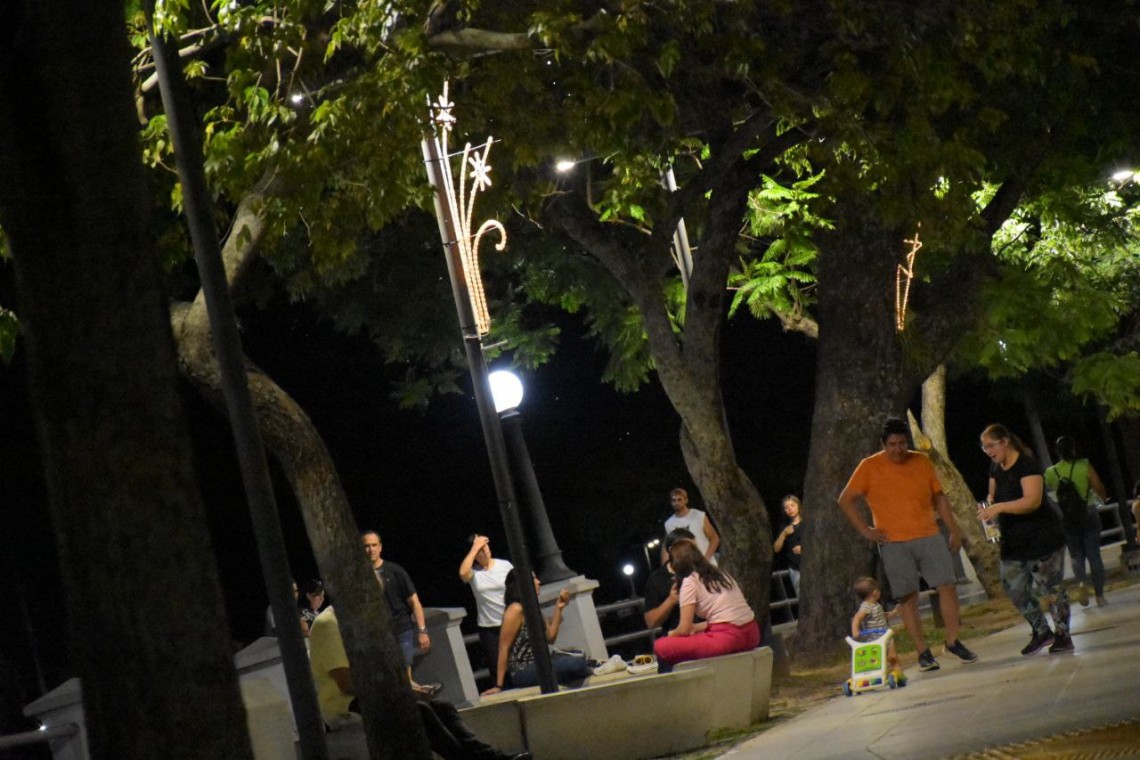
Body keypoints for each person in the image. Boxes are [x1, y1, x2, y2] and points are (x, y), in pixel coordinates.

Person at [837, 416, 978, 672]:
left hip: (928, 534)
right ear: (883, 444)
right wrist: (867, 531)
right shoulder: (869, 466)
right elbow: (845, 500)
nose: (898, 449)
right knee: (908, 597)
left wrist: (954, 530)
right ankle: (922, 651)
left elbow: (939, 497)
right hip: (894, 542)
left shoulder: (921, 461)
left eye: (902, 443)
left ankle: (953, 641)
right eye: (892, 444)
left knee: (947, 586)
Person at [308, 604, 531, 760]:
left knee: (442, 705)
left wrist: (413, 687)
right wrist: (405, 693)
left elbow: (387, 672)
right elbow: (347, 684)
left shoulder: (361, 621)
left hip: (375, 694)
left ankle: (487, 755)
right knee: (419, 709)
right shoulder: (329, 624)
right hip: (343, 703)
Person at [979, 423, 1073, 655]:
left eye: (991, 445)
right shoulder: (995, 467)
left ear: (1005, 441)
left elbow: (1032, 501)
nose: (988, 451)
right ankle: (1041, 631)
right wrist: (989, 508)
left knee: (1050, 588)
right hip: (1013, 541)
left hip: (1042, 537)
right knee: (1014, 587)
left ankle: (1063, 635)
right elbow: (992, 495)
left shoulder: (1027, 465)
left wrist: (1001, 507)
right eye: (984, 447)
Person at [652, 539, 760, 672]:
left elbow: (684, 629)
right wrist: (696, 627)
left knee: (661, 645)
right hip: (752, 633)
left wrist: (671, 634)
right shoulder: (721, 574)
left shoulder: (690, 581)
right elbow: (727, 617)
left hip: (728, 639)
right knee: (695, 638)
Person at [481, 570, 592, 695]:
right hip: (523, 670)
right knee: (575, 664)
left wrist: (558, 608)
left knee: (578, 656)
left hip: (541, 663)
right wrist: (499, 686)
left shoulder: (533, 607)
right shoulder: (515, 609)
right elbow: (503, 648)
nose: (538, 582)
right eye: (533, 579)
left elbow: (550, 637)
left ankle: (590, 667)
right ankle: (592, 668)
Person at [361, 530, 439, 696]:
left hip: (401, 629)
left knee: (404, 673)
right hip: (377, 635)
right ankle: (422, 692)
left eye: (374, 545)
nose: (371, 549)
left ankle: (419, 694)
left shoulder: (395, 571)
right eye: (367, 546)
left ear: (380, 547)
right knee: (392, 678)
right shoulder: (358, 577)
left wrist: (422, 630)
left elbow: (414, 602)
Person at [1044, 436, 1109, 607]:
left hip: (1067, 518)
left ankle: (1081, 584)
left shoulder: (1051, 472)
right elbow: (1098, 486)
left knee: (1076, 555)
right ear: (1073, 449)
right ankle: (1100, 596)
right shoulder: (1084, 465)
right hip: (1088, 512)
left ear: (1057, 452)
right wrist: (1103, 499)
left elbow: (1044, 494)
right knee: (1094, 555)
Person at [459, 534, 514, 681]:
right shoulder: (474, 573)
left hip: (510, 622)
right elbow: (462, 573)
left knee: (517, 663)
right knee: (498, 670)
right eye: (479, 549)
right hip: (489, 627)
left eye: (485, 546)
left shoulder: (504, 565)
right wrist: (475, 547)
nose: (484, 550)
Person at [643, 528, 697, 635]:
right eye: (688, 549)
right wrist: (671, 601)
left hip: (703, 631)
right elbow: (651, 622)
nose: (694, 554)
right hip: (676, 635)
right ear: (672, 550)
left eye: (695, 549)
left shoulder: (701, 571)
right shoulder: (657, 578)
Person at [850, 577, 902, 678]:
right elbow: (857, 618)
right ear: (875, 592)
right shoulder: (866, 606)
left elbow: (883, 616)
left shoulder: (876, 605)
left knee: (893, 657)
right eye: (878, 589)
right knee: (875, 660)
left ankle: (899, 676)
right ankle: (874, 676)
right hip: (874, 639)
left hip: (886, 636)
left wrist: (894, 612)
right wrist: (855, 631)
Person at [663, 487, 720, 563]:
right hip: (687, 566)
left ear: (686, 500)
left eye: (679, 499)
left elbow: (714, 538)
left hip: (707, 562)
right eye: (674, 500)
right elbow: (667, 548)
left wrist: (706, 558)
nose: (676, 503)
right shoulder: (669, 523)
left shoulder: (699, 515)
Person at [773, 494, 803, 596]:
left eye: (792, 505)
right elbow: (776, 549)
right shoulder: (784, 527)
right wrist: (783, 534)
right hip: (795, 568)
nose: (790, 509)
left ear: (798, 505)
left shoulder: (807, 523)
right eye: (786, 507)